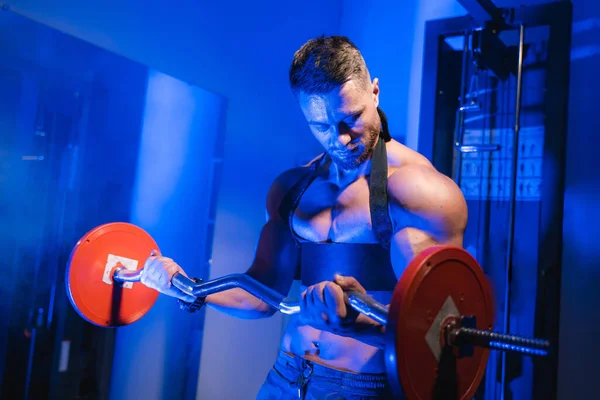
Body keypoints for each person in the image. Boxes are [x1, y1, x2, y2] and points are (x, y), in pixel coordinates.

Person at [140, 35, 468, 399]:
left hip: (360, 388)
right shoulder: (292, 190)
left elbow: (437, 326)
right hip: (287, 375)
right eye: (322, 126)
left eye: (351, 119)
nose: (340, 139)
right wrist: (187, 287)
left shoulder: (419, 193)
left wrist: (354, 324)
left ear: (374, 93)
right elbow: (261, 296)